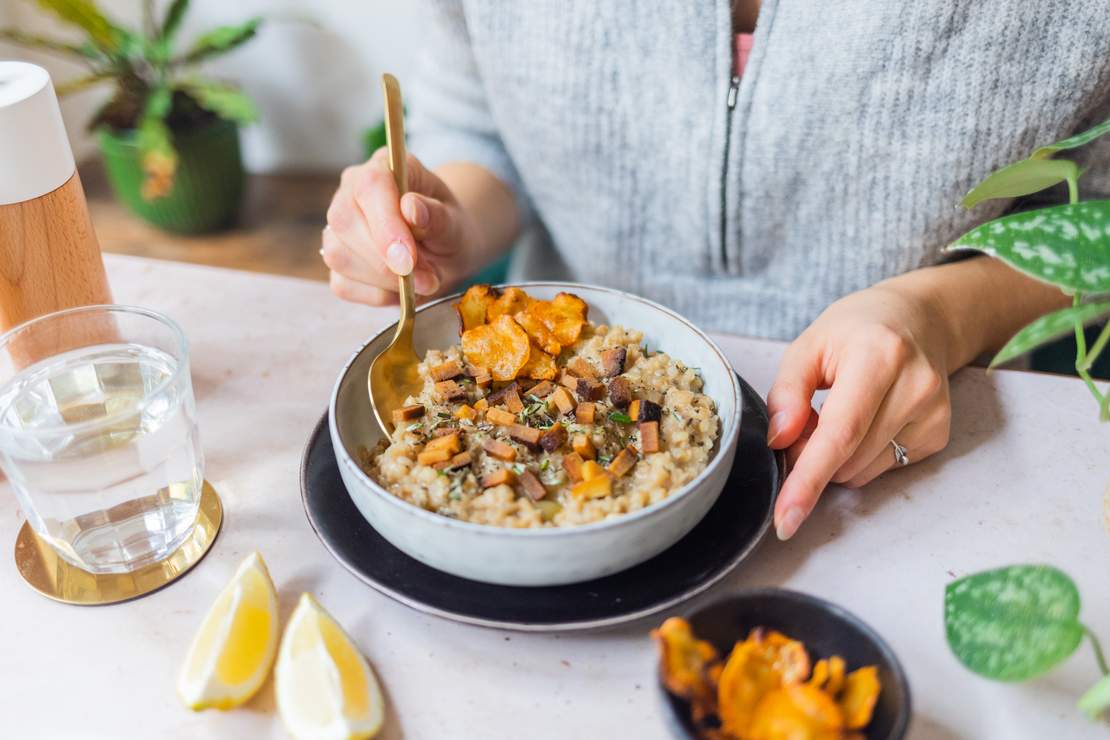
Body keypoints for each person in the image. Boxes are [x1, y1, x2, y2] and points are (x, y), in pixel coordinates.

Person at [321, 1, 1110, 540]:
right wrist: (446, 221)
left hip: (910, 462)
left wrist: (942, 315)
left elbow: (1098, 212)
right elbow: (480, 122)